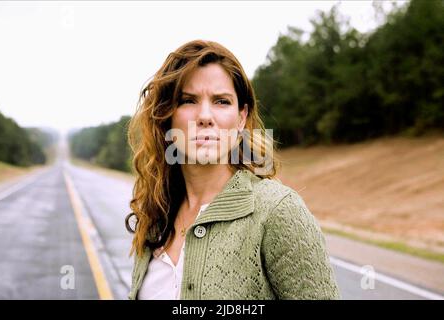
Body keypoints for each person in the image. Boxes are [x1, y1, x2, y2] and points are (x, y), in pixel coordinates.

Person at [125, 39, 340, 300]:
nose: (205, 116)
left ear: (241, 118)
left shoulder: (277, 212)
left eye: (221, 101)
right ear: (167, 115)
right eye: (188, 100)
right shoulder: (155, 216)